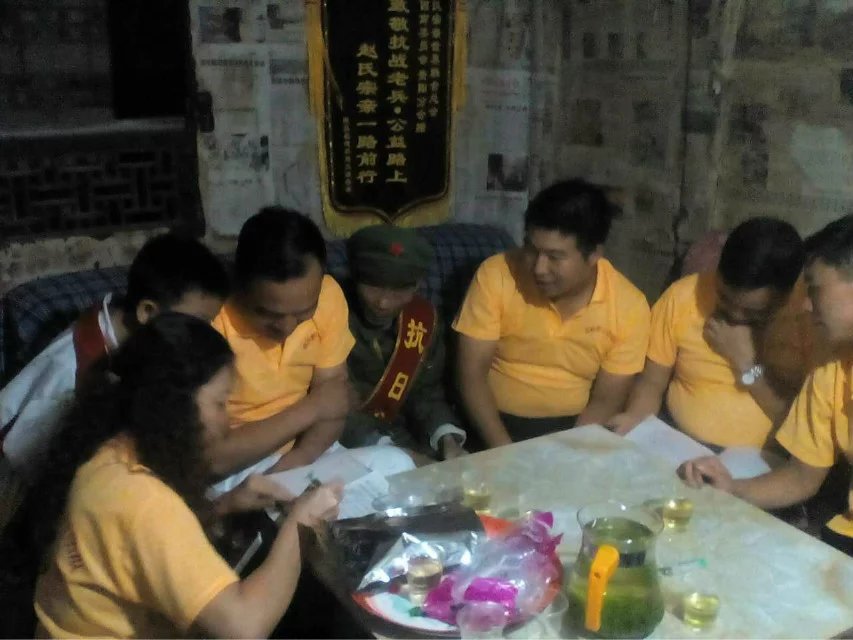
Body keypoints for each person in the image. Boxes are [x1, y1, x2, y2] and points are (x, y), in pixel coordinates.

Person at [24, 313, 340, 638]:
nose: (226, 421)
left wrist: (225, 505)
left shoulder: (109, 453)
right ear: (173, 406)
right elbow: (245, 626)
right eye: (219, 403)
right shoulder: (145, 503)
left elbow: (135, 543)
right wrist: (302, 524)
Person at [0, 234, 229, 527]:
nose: (203, 336)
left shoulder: (121, 334)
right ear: (147, 312)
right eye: (196, 324)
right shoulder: (71, 374)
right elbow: (34, 479)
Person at [680, 215, 853, 555]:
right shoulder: (830, 369)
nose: (806, 304)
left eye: (815, 288)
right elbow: (802, 476)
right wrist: (732, 488)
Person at [210, 207, 414, 491]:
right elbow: (214, 458)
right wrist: (313, 407)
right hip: (239, 467)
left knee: (397, 465)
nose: (287, 327)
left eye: (303, 312)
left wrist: (299, 459)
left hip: (309, 451)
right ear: (240, 285)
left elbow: (335, 406)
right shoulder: (212, 318)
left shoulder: (329, 296)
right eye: (268, 314)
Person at [453, 179, 650, 446]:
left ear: (594, 254)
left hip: (574, 430)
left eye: (555, 257)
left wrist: (565, 458)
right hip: (490, 424)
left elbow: (605, 401)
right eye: (532, 250)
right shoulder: (496, 274)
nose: (539, 268)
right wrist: (504, 452)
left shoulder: (629, 306)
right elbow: (471, 377)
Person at [609, 218, 812, 450]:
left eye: (752, 311)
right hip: (676, 441)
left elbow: (799, 425)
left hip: (763, 459)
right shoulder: (683, 296)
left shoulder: (808, 319)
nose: (734, 315)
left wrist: (746, 365)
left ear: (785, 295)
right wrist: (637, 419)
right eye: (724, 297)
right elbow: (652, 382)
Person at [341, 224, 466, 460]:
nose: (384, 303)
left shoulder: (422, 320)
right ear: (354, 277)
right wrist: (398, 454)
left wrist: (447, 439)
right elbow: (336, 406)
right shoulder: (332, 314)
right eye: (373, 286)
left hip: (405, 438)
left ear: (417, 285)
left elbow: (427, 393)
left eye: (399, 290)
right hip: (346, 444)